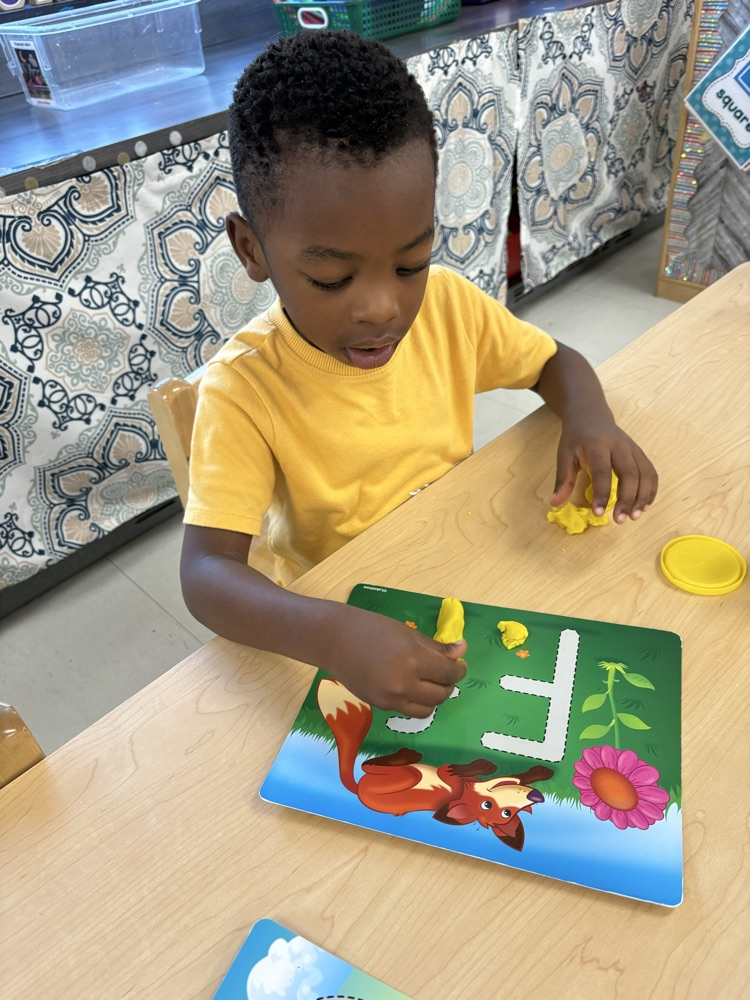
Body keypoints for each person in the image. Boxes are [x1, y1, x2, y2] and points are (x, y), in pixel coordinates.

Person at [180, 30, 657, 719]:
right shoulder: (245, 390)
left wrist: (590, 417)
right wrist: (330, 634)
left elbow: (556, 362)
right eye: (333, 277)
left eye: (411, 264)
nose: (383, 307)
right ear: (252, 250)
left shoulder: (448, 308)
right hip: (343, 618)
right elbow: (206, 575)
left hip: (463, 564)